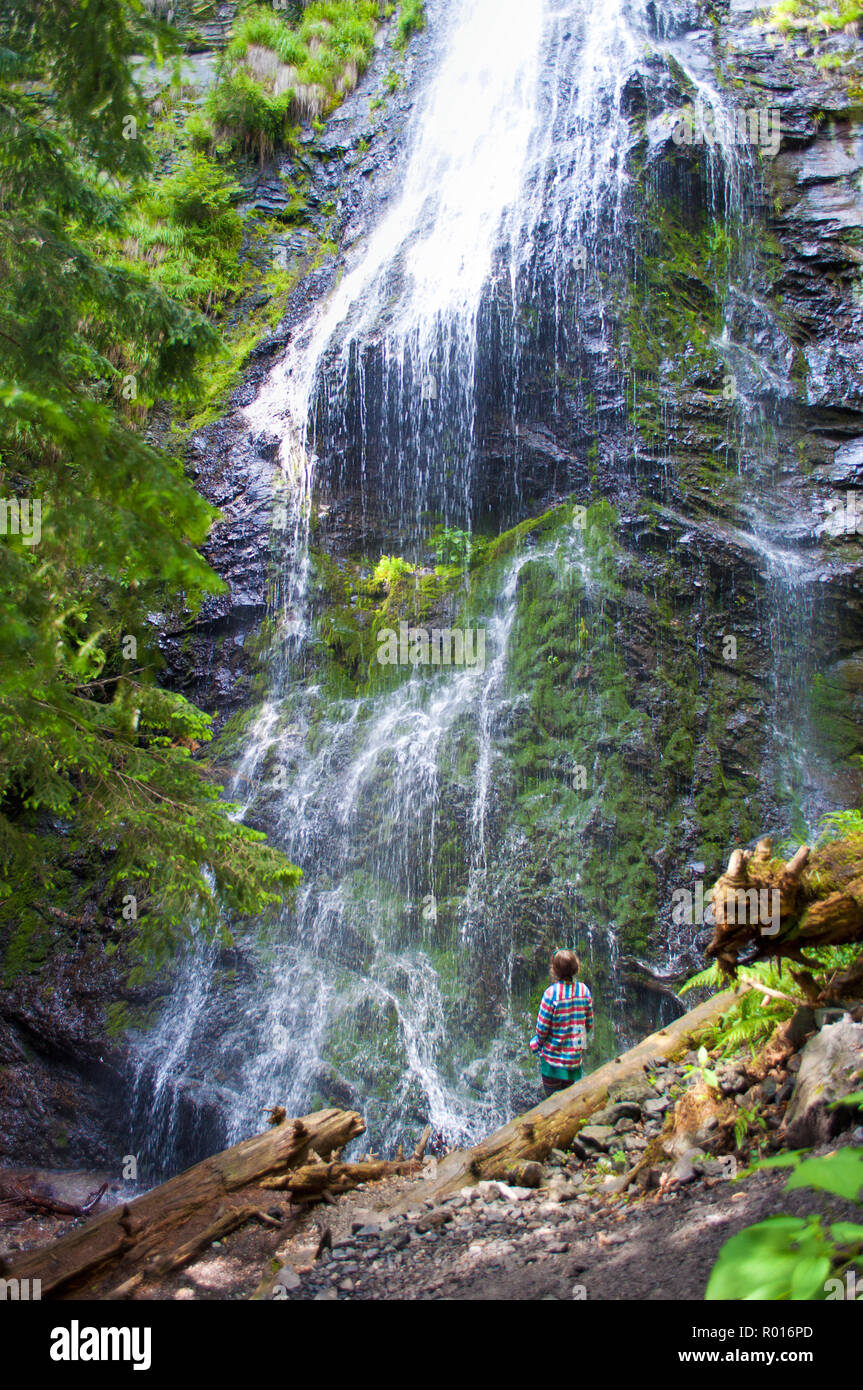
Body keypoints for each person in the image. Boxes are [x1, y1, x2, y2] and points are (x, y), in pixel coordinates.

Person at [530, 950, 594, 1096]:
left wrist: (536, 1044)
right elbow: (588, 1025)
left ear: (554, 971)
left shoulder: (551, 994)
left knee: (552, 1100)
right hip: (573, 1062)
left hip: (552, 1063)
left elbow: (542, 1029)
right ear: (577, 968)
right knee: (567, 1098)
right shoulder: (584, 991)